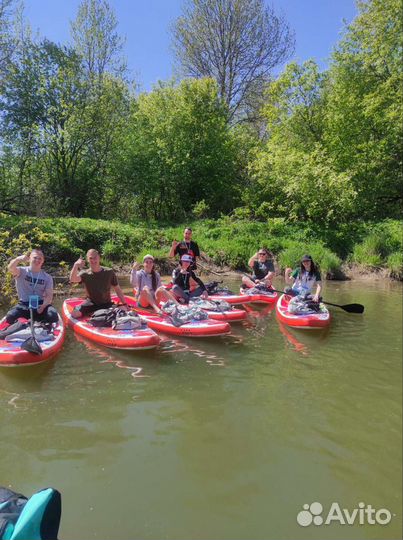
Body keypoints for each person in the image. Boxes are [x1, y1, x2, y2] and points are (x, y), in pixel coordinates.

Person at [5, 249, 59, 325]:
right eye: (35, 257)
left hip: (40, 304)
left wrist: (43, 307)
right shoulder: (21, 271)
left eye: (40, 258)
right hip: (24, 304)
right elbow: (10, 268)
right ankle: (21, 325)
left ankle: (43, 327)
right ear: (29, 259)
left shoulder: (47, 277)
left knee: (53, 316)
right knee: (10, 316)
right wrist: (17, 259)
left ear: (43, 261)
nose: (37, 260)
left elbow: (49, 296)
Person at [69, 249, 128, 318]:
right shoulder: (85, 274)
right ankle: (95, 313)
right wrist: (76, 265)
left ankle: (98, 313)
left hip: (106, 303)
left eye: (95, 257)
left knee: (124, 309)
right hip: (91, 303)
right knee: (74, 314)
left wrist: (124, 303)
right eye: (91, 258)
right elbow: (72, 279)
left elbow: (117, 289)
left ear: (99, 258)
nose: (93, 260)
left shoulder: (109, 272)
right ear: (88, 260)